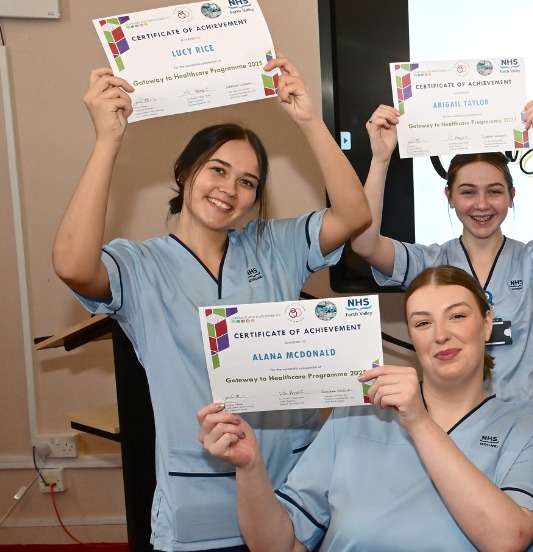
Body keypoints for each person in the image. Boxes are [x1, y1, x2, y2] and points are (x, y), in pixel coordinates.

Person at [52, 60, 371, 551]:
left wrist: (309, 119)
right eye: (217, 169)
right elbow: (74, 265)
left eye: (248, 182)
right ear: (185, 173)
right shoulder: (139, 266)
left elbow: (353, 214)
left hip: (293, 488)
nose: (230, 189)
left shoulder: (272, 246)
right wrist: (107, 141)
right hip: (200, 495)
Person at [198, 266, 533, 552]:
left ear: (487, 322)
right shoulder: (356, 417)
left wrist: (418, 422)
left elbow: (507, 540)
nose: (441, 334)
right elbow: (278, 545)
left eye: (457, 316)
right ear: (412, 337)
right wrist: (250, 468)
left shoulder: (529, 433)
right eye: (422, 323)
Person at [352, 102, 533, 418]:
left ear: (512, 196)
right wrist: (380, 159)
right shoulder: (429, 263)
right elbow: (364, 243)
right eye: (468, 192)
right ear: (450, 197)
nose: (482, 204)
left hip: (526, 423)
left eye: (495, 192)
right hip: (452, 421)